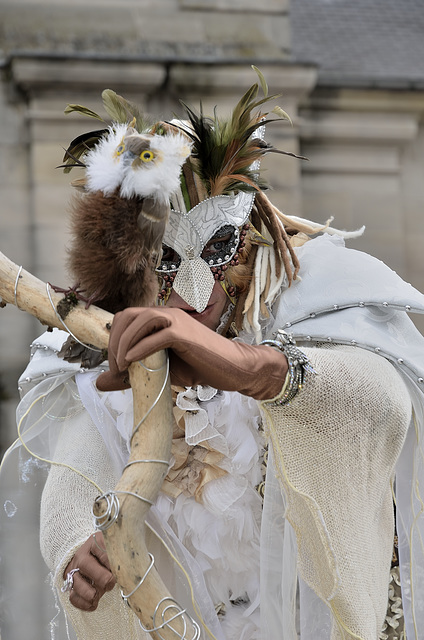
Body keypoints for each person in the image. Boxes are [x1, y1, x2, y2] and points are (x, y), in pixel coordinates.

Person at [1, 74, 424, 640]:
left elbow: (380, 407)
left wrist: (255, 370)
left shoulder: (304, 306)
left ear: (248, 244)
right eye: (166, 261)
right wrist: (81, 549)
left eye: (217, 248)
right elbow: (74, 485)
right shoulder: (112, 360)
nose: (194, 289)